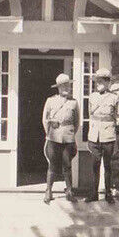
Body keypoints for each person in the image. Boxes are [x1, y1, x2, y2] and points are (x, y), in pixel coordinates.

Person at [86, 68, 119, 203]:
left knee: (107, 165)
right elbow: (90, 114)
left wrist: (115, 126)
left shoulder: (114, 98)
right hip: (94, 136)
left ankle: (108, 193)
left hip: (108, 135)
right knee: (94, 165)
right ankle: (93, 194)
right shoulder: (92, 96)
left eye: (101, 81)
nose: (97, 83)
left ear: (107, 82)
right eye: (97, 81)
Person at [42, 73, 80, 204]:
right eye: (63, 85)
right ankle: (48, 191)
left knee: (67, 165)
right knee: (52, 165)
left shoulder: (74, 103)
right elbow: (44, 119)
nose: (66, 87)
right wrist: (49, 133)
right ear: (58, 87)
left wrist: (69, 133)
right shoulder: (50, 100)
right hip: (53, 136)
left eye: (68, 85)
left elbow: (76, 122)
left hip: (68, 138)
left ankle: (69, 191)